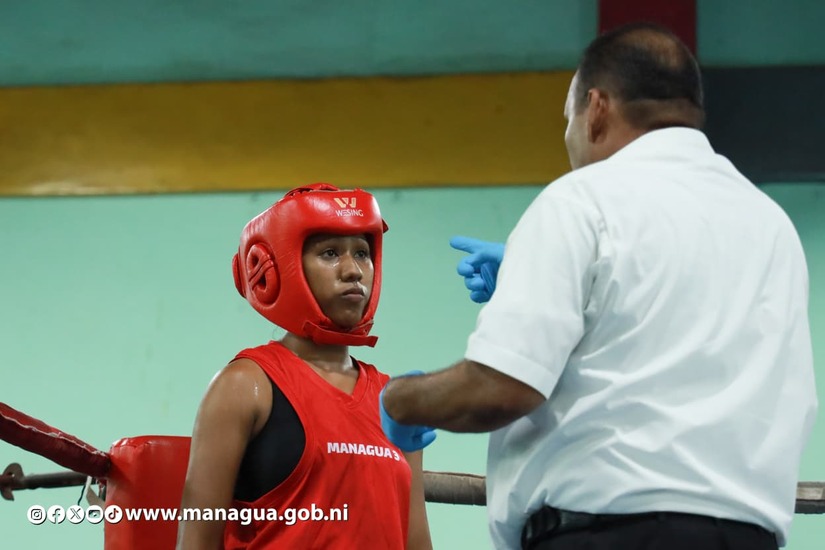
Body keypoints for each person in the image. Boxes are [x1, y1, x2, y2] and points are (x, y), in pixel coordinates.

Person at [379, 23, 817, 550]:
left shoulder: (581, 201)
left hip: (609, 534)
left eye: (568, 121)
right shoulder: (771, 225)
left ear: (596, 108)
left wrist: (400, 401)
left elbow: (502, 388)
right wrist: (539, 280)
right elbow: (673, 337)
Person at [177, 183, 431, 549]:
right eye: (330, 253)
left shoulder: (395, 402)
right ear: (279, 267)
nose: (353, 271)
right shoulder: (246, 385)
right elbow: (196, 542)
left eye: (362, 253)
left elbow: (417, 542)